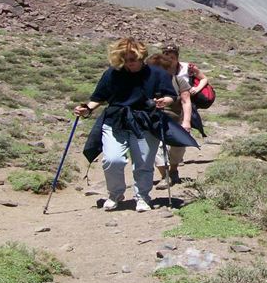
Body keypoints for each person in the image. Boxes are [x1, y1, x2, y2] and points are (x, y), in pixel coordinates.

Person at [75, 37, 177, 213]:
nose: (130, 63)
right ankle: (115, 194)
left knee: (144, 162)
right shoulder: (112, 74)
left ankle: (142, 197)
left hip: (145, 121)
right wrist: (87, 109)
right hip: (116, 120)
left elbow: (170, 95)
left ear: (141, 56)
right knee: (112, 160)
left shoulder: (157, 73)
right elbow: (99, 97)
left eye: (133, 59)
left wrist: (163, 101)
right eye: (126, 59)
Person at [159, 44, 210, 183]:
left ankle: (173, 168)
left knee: (179, 139)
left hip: (182, 106)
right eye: (167, 56)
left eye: (172, 57)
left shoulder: (187, 67)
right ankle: (166, 175)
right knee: (158, 143)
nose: (170, 59)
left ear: (177, 57)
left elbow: (204, 78)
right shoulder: (157, 69)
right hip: (161, 109)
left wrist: (196, 88)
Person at [147, 53, 193, 187]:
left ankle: (173, 170)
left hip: (176, 120)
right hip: (154, 120)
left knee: (178, 147)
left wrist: (187, 121)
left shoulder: (178, 81)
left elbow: (186, 101)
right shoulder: (147, 83)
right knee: (159, 149)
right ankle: (165, 176)